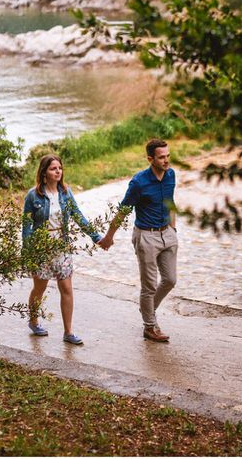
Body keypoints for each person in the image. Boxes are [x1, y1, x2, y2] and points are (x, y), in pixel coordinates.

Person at [99, 138, 177, 343]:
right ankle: (150, 326)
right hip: (146, 236)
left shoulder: (171, 175)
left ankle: (147, 309)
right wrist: (109, 236)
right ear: (150, 159)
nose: (166, 161)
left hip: (167, 233)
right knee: (149, 285)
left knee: (170, 280)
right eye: (162, 157)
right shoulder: (138, 183)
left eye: (168, 156)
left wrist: (173, 229)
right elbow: (123, 211)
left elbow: (170, 201)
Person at [22, 153, 103, 345]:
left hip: (62, 246)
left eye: (59, 168)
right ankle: (33, 321)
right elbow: (26, 226)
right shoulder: (33, 195)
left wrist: (95, 236)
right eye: (53, 168)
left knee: (66, 287)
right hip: (41, 247)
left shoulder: (65, 193)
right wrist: (27, 253)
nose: (58, 171)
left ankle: (68, 332)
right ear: (44, 172)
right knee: (39, 288)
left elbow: (77, 215)